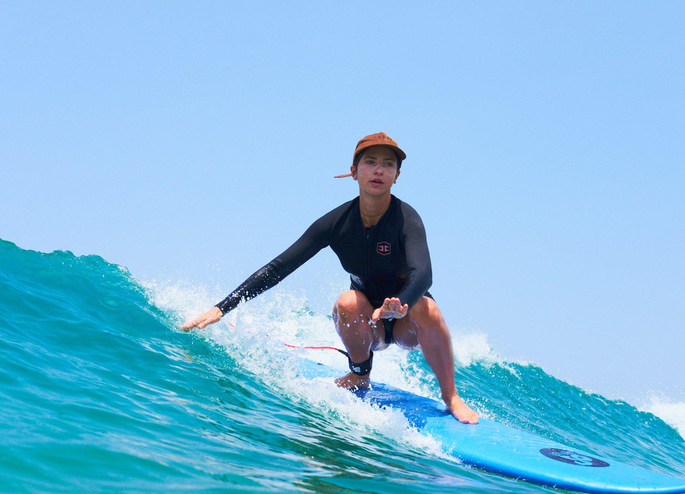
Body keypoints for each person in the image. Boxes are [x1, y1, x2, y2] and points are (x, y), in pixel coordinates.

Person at [182, 132, 479, 424]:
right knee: (347, 302)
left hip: (404, 322)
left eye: (388, 165)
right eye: (370, 162)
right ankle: (360, 375)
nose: (379, 170)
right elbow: (279, 267)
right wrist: (222, 308)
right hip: (368, 324)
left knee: (427, 307)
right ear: (354, 171)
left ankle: (451, 396)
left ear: (397, 175)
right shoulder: (336, 223)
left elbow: (423, 273)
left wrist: (401, 302)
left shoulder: (406, 218)